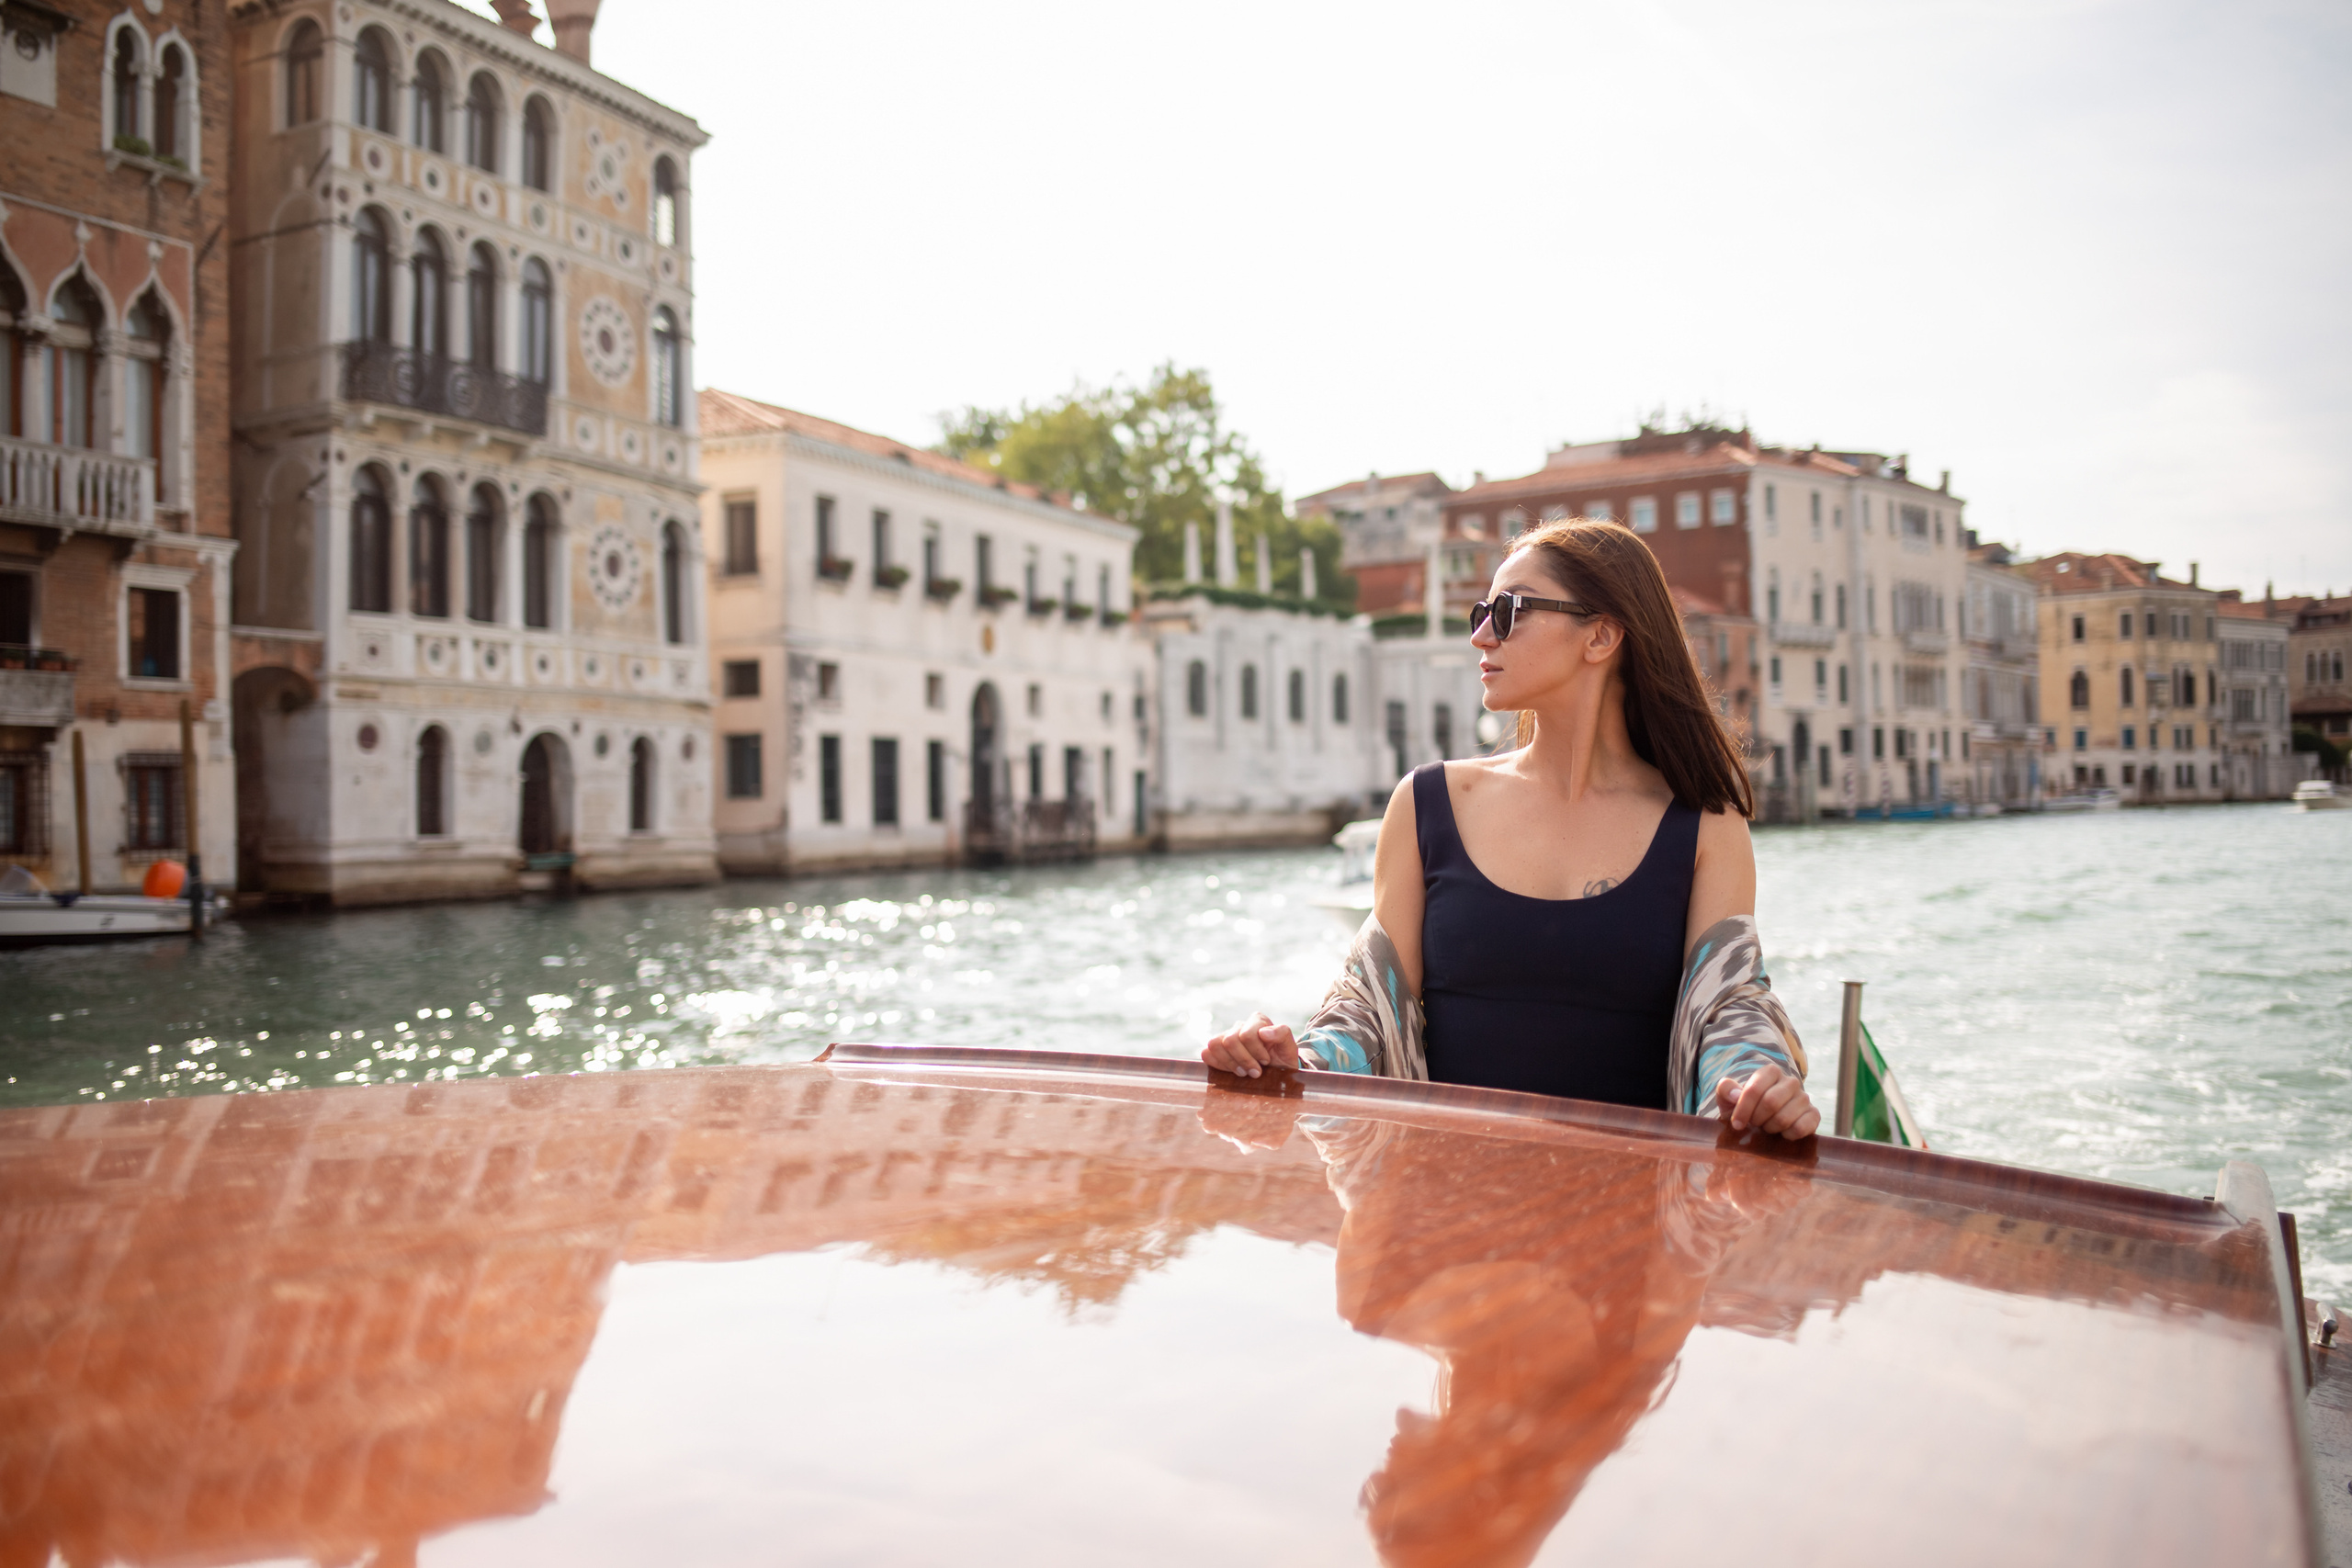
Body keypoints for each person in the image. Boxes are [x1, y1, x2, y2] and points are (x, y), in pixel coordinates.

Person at [1201, 517, 1816, 1140]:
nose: (1481, 635)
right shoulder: (1426, 803)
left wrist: (1757, 1083)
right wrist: (1295, 1061)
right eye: (1480, 612)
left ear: (1601, 635)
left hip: (1632, 1220)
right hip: (1444, 1212)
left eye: (1509, 610)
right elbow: (1366, 1009)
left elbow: (1730, 1011)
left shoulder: (1705, 824)